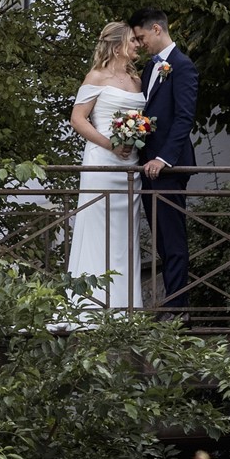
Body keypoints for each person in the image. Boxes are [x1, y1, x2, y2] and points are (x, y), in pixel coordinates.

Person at [64, 22, 146, 311]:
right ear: (116, 45)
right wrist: (110, 143)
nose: (137, 44)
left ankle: (125, 307)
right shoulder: (96, 77)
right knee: (97, 230)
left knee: (125, 236)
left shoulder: (137, 80)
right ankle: (90, 305)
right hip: (102, 162)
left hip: (130, 166)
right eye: (132, 40)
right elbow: (77, 119)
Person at [129, 8, 197, 312]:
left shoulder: (182, 66)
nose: (140, 43)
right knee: (161, 242)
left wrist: (163, 159)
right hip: (148, 167)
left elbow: (184, 118)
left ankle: (178, 310)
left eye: (141, 36)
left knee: (173, 240)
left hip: (169, 168)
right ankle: (172, 304)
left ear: (157, 29)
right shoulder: (150, 68)